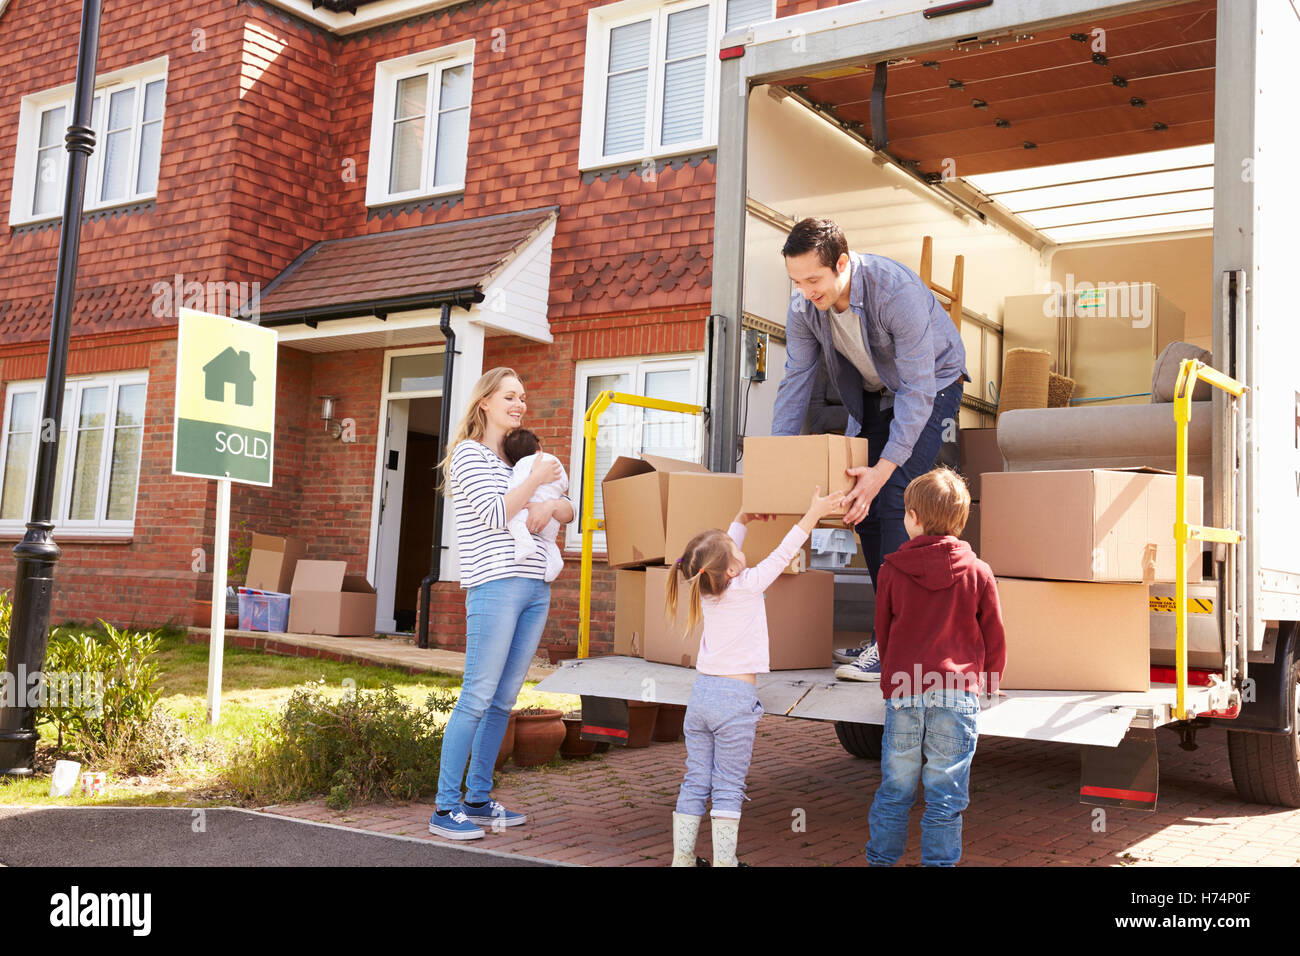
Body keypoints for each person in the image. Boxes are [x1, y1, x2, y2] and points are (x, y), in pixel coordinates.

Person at [769, 217, 970, 681]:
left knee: (893, 494)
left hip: (934, 386)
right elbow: (796, 380)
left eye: (814, 280)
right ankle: (888, 629)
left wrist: (882, 469)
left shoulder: (895, 290)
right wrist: (774, 461)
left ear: (842, 263)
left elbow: (918, 389)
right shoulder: (803, 308)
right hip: (878, 395)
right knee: (860, 501)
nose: (806, 292)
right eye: (796, 281)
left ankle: (896, 638)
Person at [429, 368, 575, 841]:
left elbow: (565, 506)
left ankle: (477, 797)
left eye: (523, 397)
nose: (520, 404)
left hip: (535, 588)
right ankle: (444, 808)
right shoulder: (469, 455)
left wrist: (550, 505)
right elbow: (495, 514)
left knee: (503, 700)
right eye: (510, 396)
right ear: (485, 403)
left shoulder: (520, 456)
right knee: (476, 694)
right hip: (494, 584)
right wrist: (534, 485)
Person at [667, 487, 845, 867]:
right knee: (728, 786)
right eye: (737, 552)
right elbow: (784, 552)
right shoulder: (747, 587)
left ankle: (681, 860)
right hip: (734, 702)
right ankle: (724, 862)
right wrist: (813, 513)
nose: (742, 553)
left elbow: (716, 554)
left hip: (701, 698)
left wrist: (743, 518)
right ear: (730, 569)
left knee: (696, 780)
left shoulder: (706, 591)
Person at [866, 467, 1005, 867]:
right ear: (960, 521)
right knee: (946, 796)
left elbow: (883, 632)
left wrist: (890, 682)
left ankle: (881, 862)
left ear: (913, 517)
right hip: (957, 694)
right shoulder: (979, 572)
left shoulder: (891, 570)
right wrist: (992, 681)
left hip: (906, 689)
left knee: (895, 788)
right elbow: (993, 634)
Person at [502, 427, 569, 583]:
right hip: (551, 520)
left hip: (529, 514)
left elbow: (515, 487)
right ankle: (555, 562)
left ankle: (525, 544)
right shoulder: (554, 460)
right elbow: (564, 484)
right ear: (539, 446)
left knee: (511, 520)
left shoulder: (522, 464)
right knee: (550, 542)